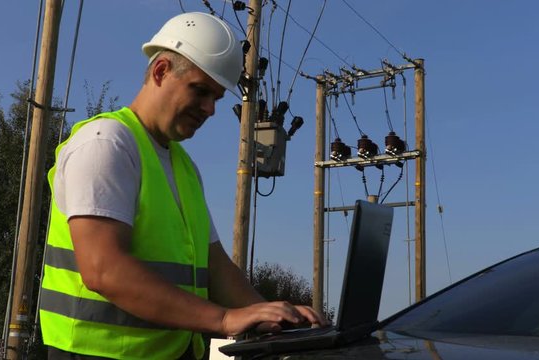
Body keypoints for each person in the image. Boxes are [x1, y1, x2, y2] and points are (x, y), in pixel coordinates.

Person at [38, 12, 327, 360]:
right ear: (160, 71)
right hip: (94, 354)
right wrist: (223, 318)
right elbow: (104, 269)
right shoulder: (106, 143)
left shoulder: (183, 166)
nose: (210, 109)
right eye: (201, 90)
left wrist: (273, 317)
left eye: (217, 97)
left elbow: (215, 266)